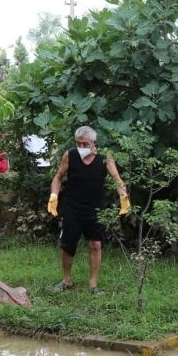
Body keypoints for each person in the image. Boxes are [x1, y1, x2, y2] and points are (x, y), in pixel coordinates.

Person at [47, 126, 130, 294]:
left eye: (85, 144)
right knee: (68, 245)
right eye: (78, 143)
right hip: (72, 207)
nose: (82, 147)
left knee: (96, 245)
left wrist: (124, 198)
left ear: (94, 143)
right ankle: (67, 280)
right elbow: (58, 177)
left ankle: (93, 285)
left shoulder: (104, 158)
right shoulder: (69, 155)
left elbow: (117, 179)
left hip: (95, 208)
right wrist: (54, 196)